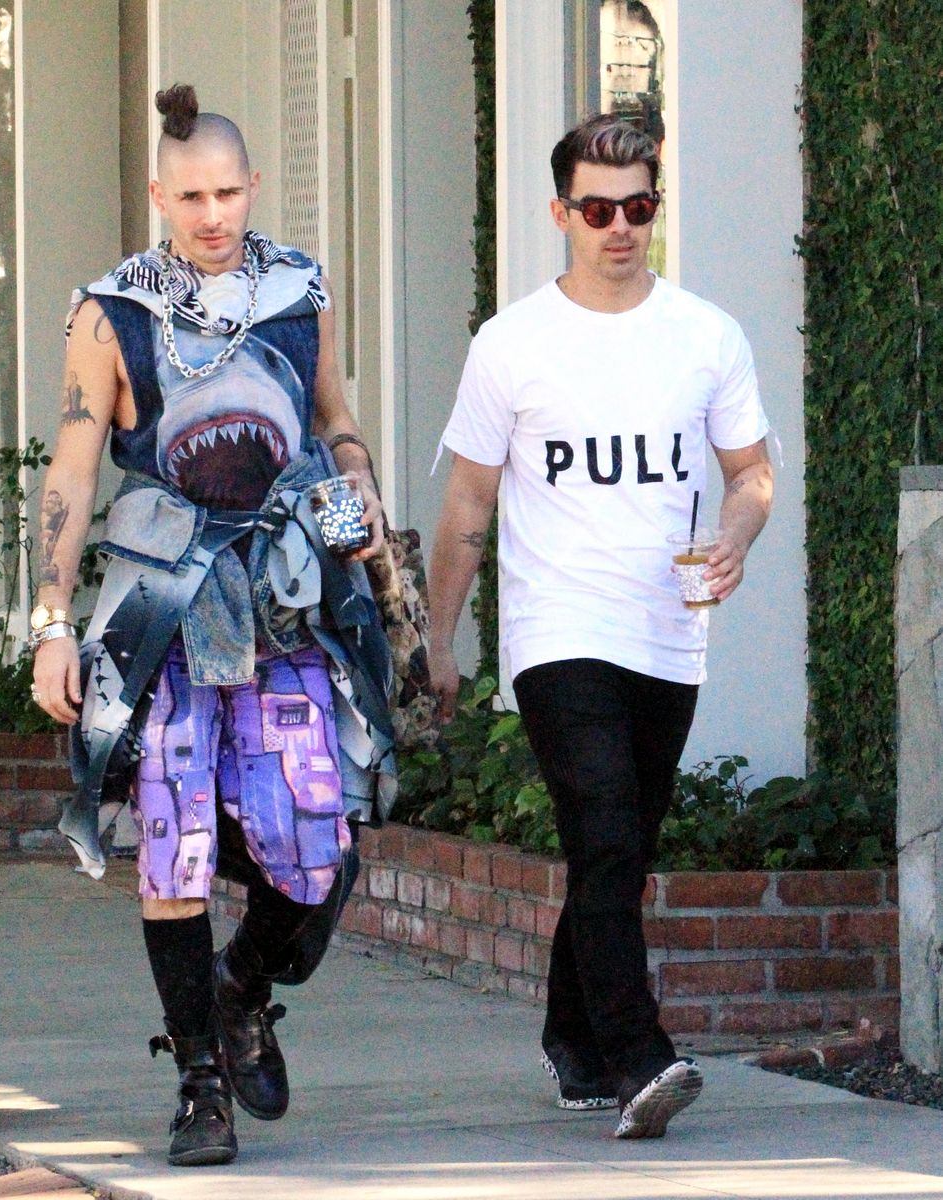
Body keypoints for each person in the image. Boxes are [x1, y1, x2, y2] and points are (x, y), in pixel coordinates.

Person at [30, 84, 394, 1166]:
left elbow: (333, 421)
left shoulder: (296, 290)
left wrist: (360, 495)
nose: (212, 214)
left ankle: (239, 990)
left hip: (286, 599)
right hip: (165, 609)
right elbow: (72, 468)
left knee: (319, 849)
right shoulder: (112, 313)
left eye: (228, 192)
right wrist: (52, 622)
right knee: (173, 847)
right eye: (190, 196)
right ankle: (198, 1084)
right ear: (159, 194)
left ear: (253, 186)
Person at [428, 113, 773, 1139]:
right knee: (608, 826)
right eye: (597, 209)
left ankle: (572, 1039)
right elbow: (468, 503)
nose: (620, 227)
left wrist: (737, 535)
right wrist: (438, 641)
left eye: (638, 206)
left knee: (615, 848)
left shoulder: (707, 335)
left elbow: (751, 473)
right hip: (558, 627)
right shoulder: (513, 343)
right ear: (561, 213)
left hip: (668, 627)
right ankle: (639, 1058)